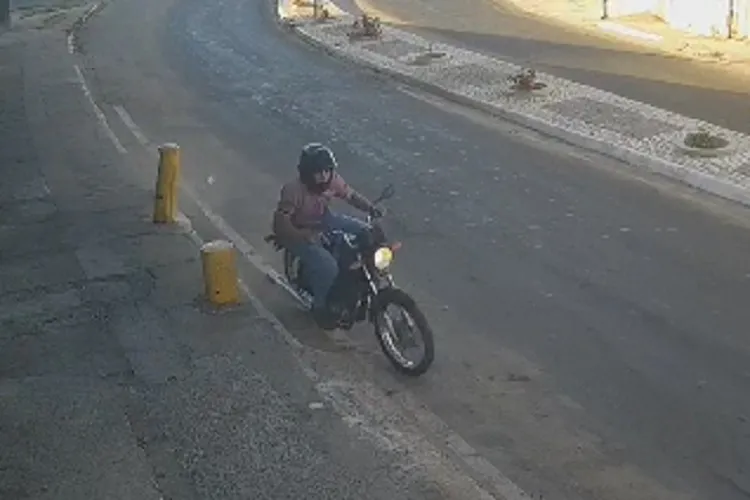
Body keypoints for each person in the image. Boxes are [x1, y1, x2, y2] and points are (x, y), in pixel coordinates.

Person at [272, 143, 383, 329]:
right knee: (328, 266)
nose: (324, 176)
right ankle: (320, 307)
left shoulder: (332, 181)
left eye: (327, 171)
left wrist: (371, 207)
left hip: (324, 220)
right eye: (318, 172)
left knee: (367, 232)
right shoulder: (293, 190)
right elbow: (280, 223)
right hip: (299, 229)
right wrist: (302, 234)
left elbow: (351, 196)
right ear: (307, 173)